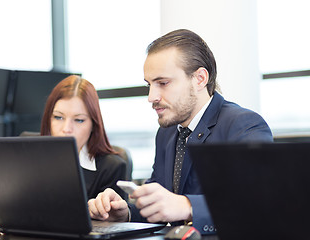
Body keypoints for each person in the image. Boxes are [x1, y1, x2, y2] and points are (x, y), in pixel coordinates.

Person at [87, 29, 273, 235]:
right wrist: (126, 214)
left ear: (200, 79)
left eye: (163, 83)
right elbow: (162, 205)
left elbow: (257, 203)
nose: (151, 96)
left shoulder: (243, 125)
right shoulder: (166, 133)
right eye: (149, 85)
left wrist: (187, 206)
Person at [0, 75, 128, 200]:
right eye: (58, 117)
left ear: (94, 124)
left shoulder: (112, 167)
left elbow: (114, 224)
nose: (66, 129)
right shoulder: (27, 148)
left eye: (79, 120)